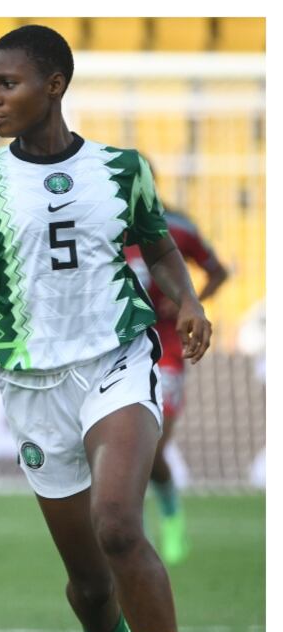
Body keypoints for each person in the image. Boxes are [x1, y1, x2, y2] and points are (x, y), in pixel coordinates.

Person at [0, 25, 210, 632]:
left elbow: (161, 250)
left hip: (116, 360)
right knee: (90, 585)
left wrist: (187, 300)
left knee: (118, 528)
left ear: (54, 86)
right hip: (33, 385)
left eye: (5, 83)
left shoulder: (121, 169)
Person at [124, 204, 229, 565]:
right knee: (120, 446)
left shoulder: (178, 227)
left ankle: (170, 517)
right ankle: (133, 535)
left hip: (167, 348)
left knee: (151, 446)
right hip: (117, 348)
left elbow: (218, 272)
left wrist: (189, 301)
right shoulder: (99, 220)